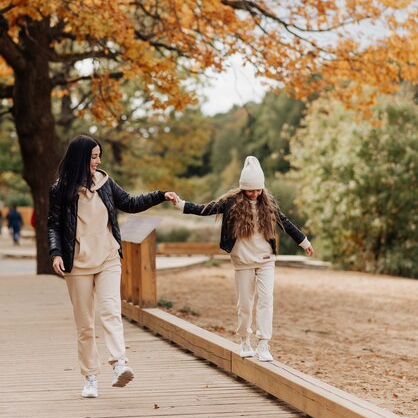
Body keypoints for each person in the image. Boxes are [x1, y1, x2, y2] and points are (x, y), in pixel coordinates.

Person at [48, 134, 180, 399]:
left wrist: (159, 195)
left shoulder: (105, 183)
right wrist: (56, 253)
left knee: (110, 310)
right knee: (85, 324)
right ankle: (90, 377)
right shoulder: (60, 190)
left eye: (99, 156)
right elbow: (54, 224)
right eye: (93, 157)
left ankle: (119, 363)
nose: (98, 162)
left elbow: (130, 203)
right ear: (80, 159)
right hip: (78, 264)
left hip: (108, 256)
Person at [174, 156, 314, 362]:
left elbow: (285, 223)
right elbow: (207, 209)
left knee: (266, 301)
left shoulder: (268, 202)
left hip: (266, 259)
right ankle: (244, 340)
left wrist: (304, 242)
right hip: (242, 260)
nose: (255, 194)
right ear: (242, 188)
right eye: (250, 190)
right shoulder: (231, 201)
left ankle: (264, 343)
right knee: (245, 304)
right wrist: (181, 204)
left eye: (258, 190)